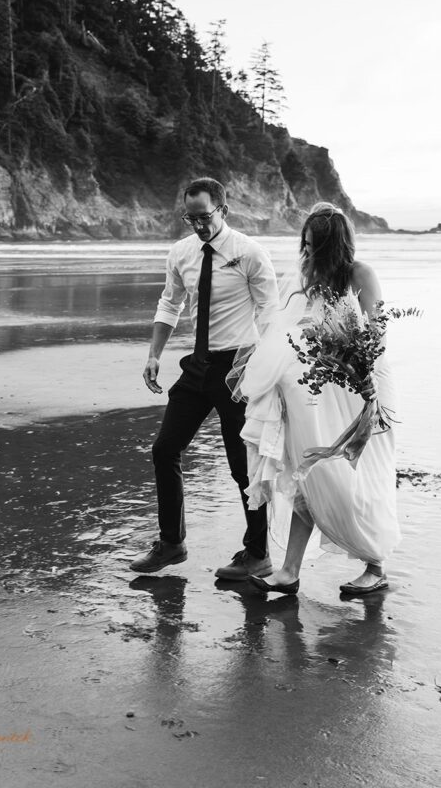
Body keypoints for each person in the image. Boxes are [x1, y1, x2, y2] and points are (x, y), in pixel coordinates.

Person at [233, 201, 401, 596]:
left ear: (334, 246)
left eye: (314, 247)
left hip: (360, 390)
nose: (306, 254)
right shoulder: (308, 279)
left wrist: (337, 349)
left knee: (357, 481)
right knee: (306, 475)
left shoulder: (361, 274)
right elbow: (294, 330)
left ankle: (375, 565)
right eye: (304, 245)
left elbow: (377, 337)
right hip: (317, 389)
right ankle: (289, 571)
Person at [130, 177, 280, 579]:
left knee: (242, 466)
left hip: (238, 368)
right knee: (165, 449)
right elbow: (170, 302)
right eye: (190, 217)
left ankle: (257, 552)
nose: (197, 225)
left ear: (223, 211)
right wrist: (153, 354)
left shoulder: (249, 253)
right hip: (196, 367)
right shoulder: (181, 253)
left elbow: (270, 314)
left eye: (204, 216)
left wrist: (267, 369)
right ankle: (171, 543)